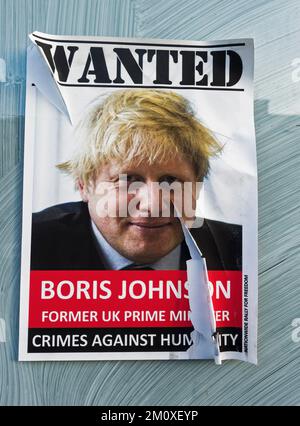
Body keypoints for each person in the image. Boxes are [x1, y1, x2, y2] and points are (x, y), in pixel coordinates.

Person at [31, 89, 242, 271]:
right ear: (84, 185)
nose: (152, 205)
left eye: (170, 180)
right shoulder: (27, 245)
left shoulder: (238, 251)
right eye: (128, 179)